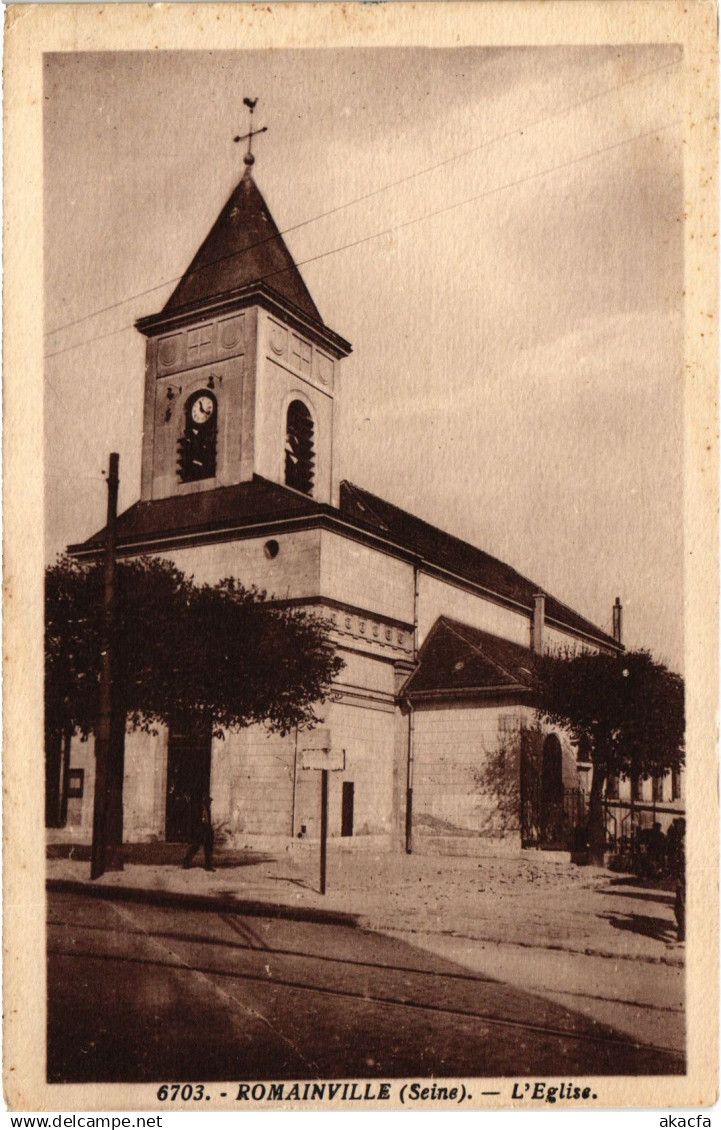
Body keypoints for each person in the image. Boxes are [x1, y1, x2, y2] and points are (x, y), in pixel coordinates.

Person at [181, 793, 215, 871]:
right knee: (195, 847)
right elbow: (199, 821)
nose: (210, 803)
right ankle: (186, 862)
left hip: (206, 830)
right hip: (201, 831)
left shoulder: (207, 809)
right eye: (208, 801)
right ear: (205, 801)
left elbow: (207, 821)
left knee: (208, 849)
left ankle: (209, 866)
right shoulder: (201, 809)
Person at [667, 817, 685, 942]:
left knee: (680, 906)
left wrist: (677, 877)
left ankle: (683, 934)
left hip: (683, 877)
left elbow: (680, 862)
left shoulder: (682, 843)